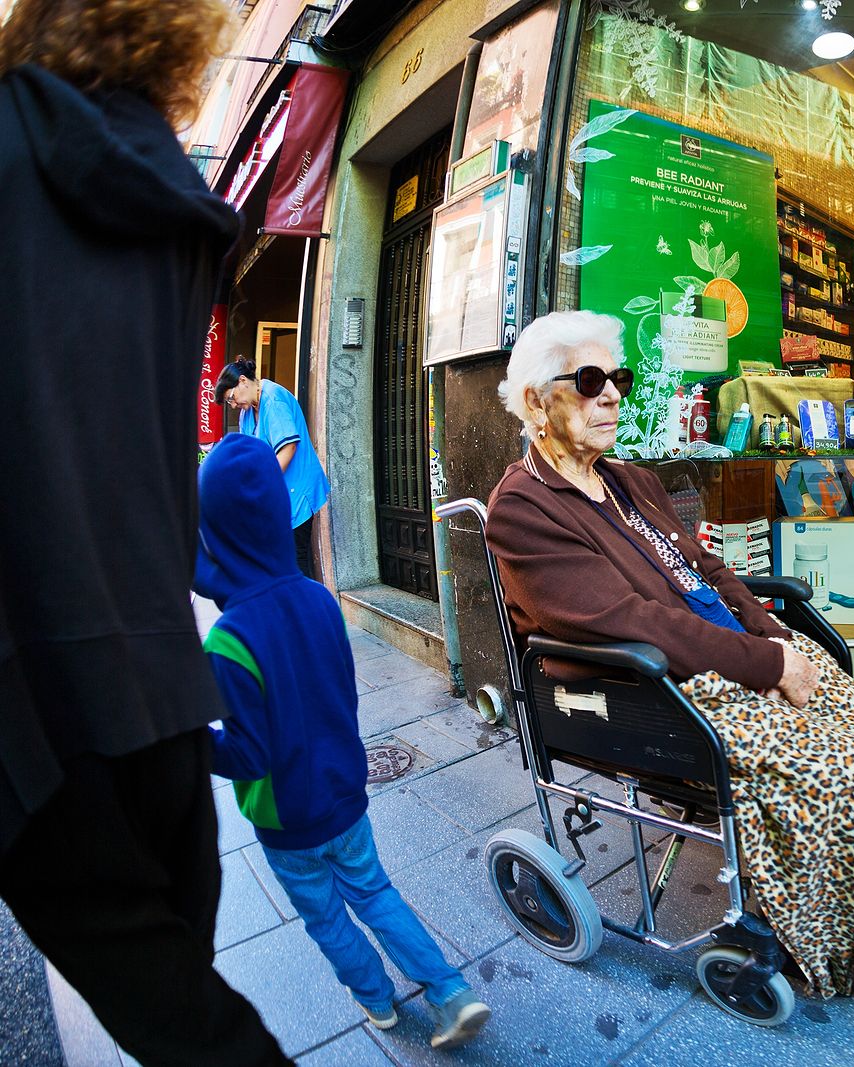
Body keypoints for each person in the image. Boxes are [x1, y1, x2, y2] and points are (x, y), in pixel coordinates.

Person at [0, 2, 290, 1062]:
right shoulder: (178, 208)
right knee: (190, 1008)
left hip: (30, 705)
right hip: (160, 685)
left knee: (190, 1030)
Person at [485, 310, 854, 998]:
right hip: (655, 687)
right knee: (825, 764)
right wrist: (766, 666)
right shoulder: (523, 509)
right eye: (589, 380)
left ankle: (853, 905)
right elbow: (630, 622)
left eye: (616, 379)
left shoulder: (631, 479)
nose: (612, 395)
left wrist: (771, 637)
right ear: (537, 400)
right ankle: (815, 936)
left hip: (729, 652)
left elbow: (708, 570)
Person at [197, 433, 492, 1050]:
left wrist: (194, 744)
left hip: (288, 820)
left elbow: (248, 755)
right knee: (376, 892)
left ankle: (378, 1003)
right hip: (345, 791)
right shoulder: (318, 599)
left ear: (215, 534)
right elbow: (341, 692)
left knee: (326, 916)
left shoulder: (227, 641)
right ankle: (449, 991)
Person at [215, 358, 330, 579]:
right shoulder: (248, 411)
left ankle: (310, 610)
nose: (233, 404)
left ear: (242, 381)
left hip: (296, 492)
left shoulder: (273, 398)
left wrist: (262, 484)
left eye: (231, 398)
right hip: (278, 497)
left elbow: (288, 447)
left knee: (296, 561)